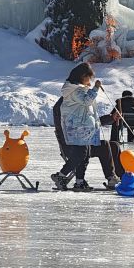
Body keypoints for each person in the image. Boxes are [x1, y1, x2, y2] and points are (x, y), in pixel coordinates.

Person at [51, 63, 102, 191]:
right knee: (80, 154)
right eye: (88, 78)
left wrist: (87, 88)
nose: (89, 81)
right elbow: (86, 101)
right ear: (82, 76)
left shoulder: (78, 89)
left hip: (82, 126)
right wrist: (94, 89)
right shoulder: (74, 90)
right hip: (77, 127)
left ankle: (80, 180)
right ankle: (61, 175)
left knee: (85, 154)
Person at [53, 97, 123, 190]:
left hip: (83, 142)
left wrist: (111, 118)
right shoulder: (65, 105)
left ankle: (117, 178)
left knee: (113, 145)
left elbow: (92, 122)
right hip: (72, 146)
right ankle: (111, 178)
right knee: (104, 145)